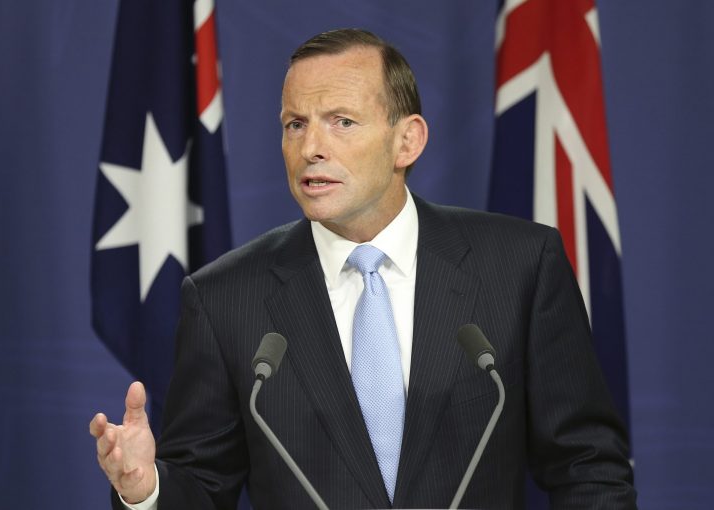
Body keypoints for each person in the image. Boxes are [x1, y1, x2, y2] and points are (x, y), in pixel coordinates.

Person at [90, 28, 636, 509]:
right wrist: (146, 490)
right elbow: (204, 487)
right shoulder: (225, 299)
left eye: (342, 122)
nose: (311, 147)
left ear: (407, 140)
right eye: (295, 124)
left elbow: (588, 465)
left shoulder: (520, 266)